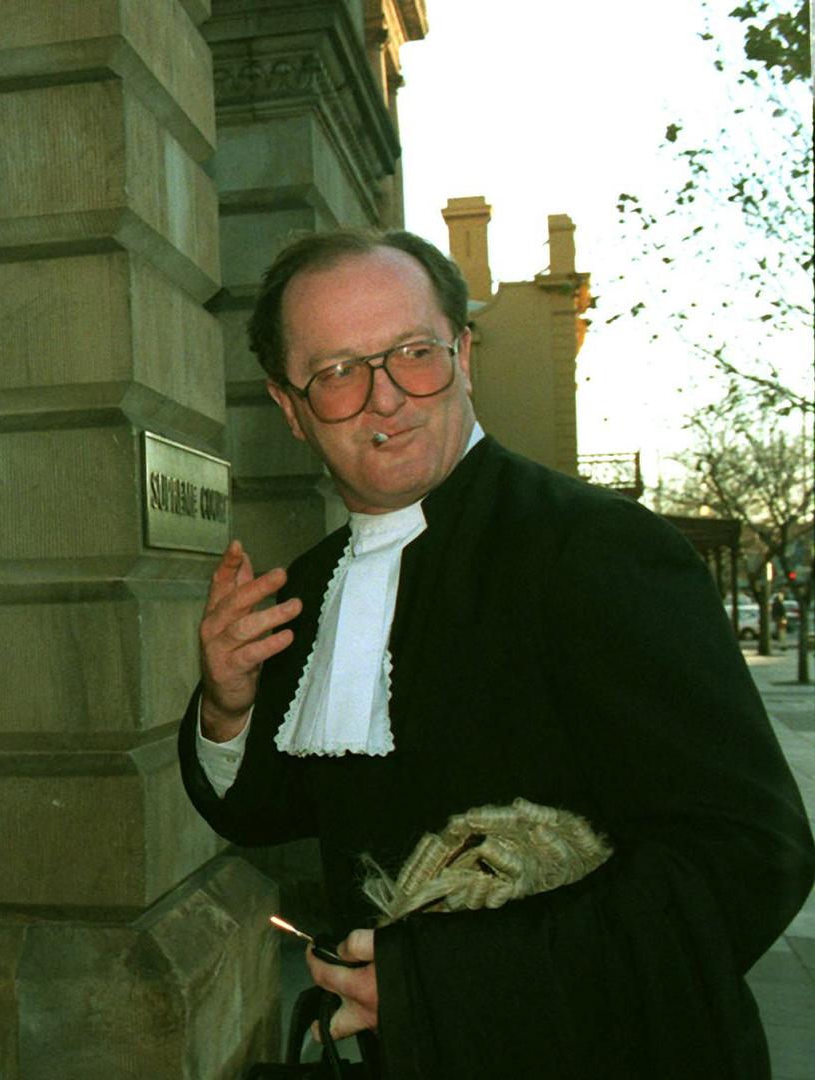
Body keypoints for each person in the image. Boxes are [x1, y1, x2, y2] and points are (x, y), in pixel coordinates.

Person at [177, 228, 815, 1076]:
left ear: (465, 355)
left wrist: (441, 985)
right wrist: (227, 704)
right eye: (336, 373)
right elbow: (274, 813)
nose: (386, 398)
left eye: (414, 352)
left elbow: (749, 859)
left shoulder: (601, 547)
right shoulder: (315, 583)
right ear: (290, 408)